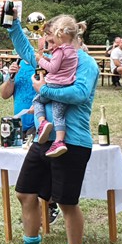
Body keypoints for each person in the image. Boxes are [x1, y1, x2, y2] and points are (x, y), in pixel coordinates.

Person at [4, 15, 100, 244]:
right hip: (43, 140)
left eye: (51, 36)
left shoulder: (86, 62)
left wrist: (44, 90)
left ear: (65, 35)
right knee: (25, 192)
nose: (47, 41)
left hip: (72, 142)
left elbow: (79, 94)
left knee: (66, 202)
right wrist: (13, 25)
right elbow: (27, 52)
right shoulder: (54, 56)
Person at [1, 57, 60, 224]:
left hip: (41, 123)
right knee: (26, 168)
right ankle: (32, 210)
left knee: (44, 167)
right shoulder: (18, 63)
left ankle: (50, 206)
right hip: (19, 124)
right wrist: (11, 77)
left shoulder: (49, 62)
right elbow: (4, 94)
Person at [33, 16, 85, 157]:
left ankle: (43, 123)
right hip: (66, 85)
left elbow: (53, 68)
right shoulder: (73, 51)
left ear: (59, 35)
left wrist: (40, 60)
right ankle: (59, 141)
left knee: (37, 101)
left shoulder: (59, 51)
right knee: (59, 115)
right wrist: (48, 59)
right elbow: (62, 65)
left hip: (52, 84)